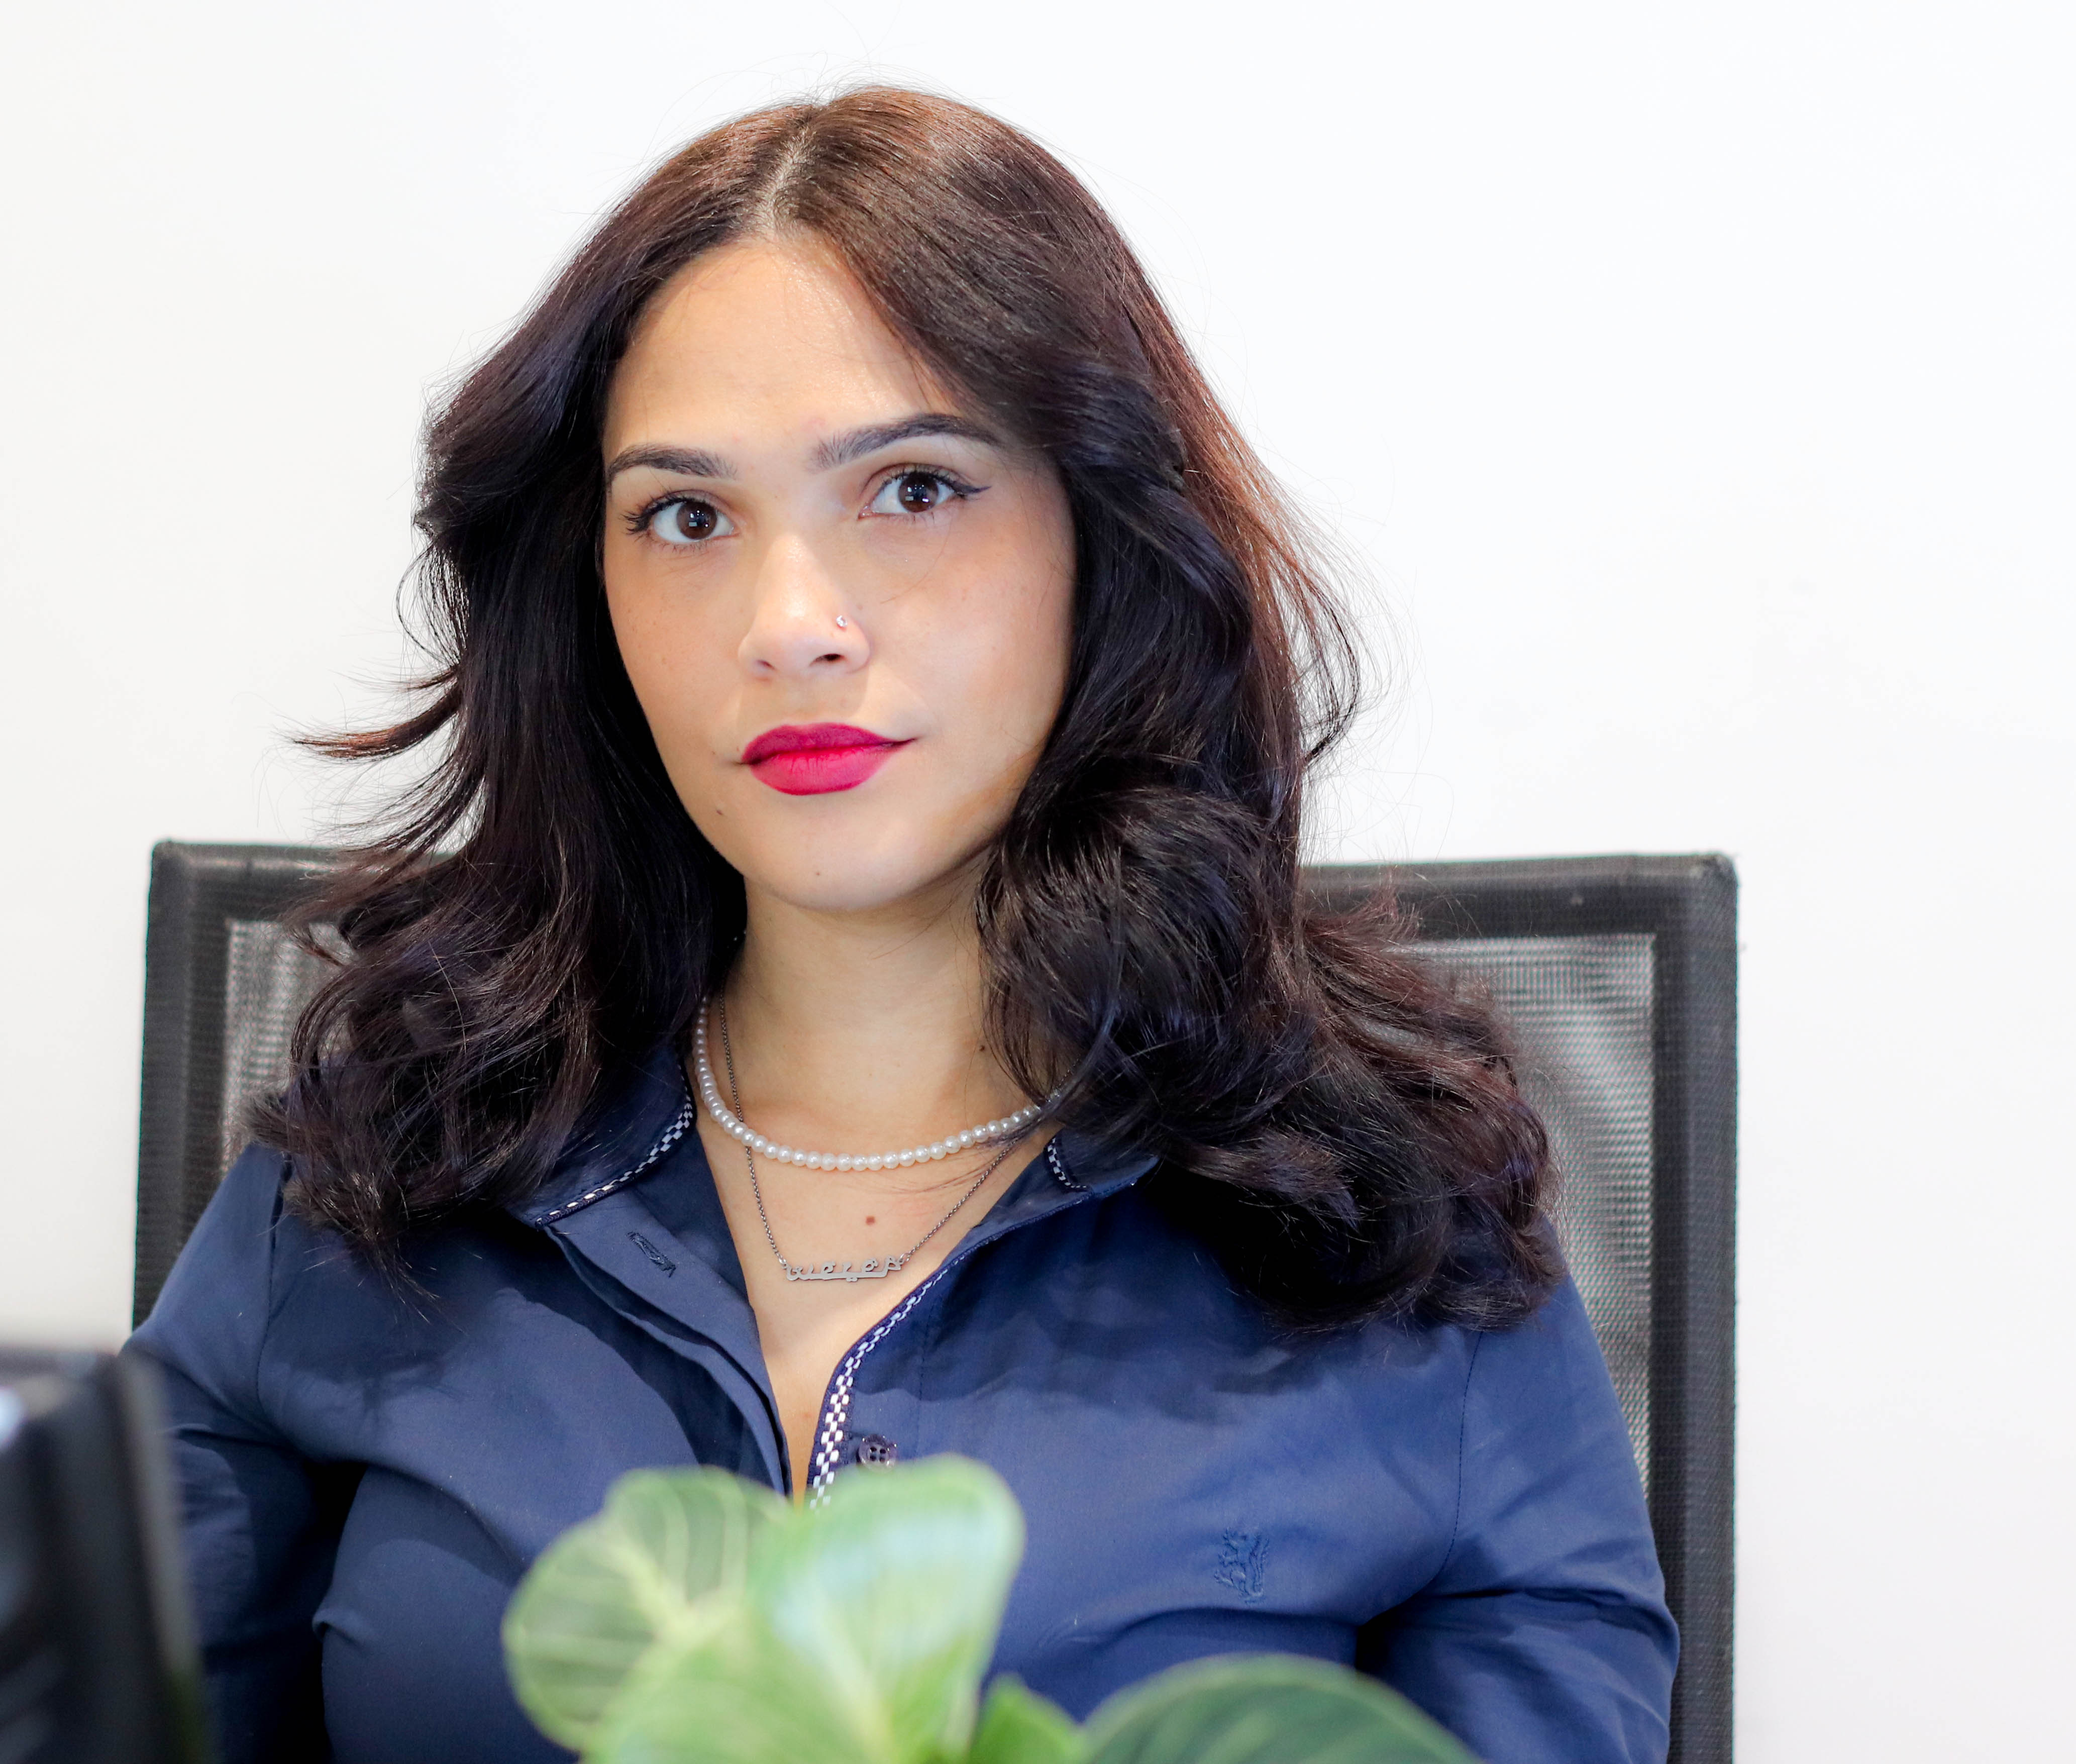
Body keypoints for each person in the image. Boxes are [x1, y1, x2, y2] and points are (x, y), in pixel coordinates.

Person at [129, 88, 1676, 1762]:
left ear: (1107, 537)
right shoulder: (384, 1157)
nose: (793, 624)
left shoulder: (1387, 1215)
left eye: (916, 489)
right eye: (687, 517)